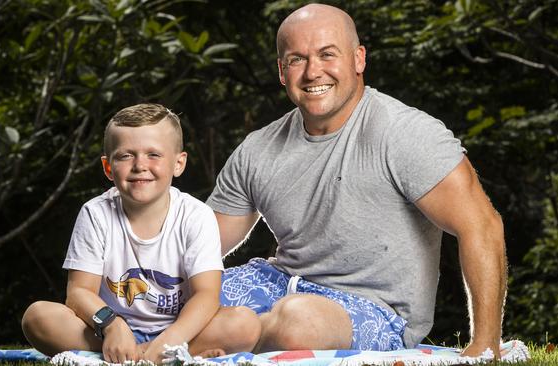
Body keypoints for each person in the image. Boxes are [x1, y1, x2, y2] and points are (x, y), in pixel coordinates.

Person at [208, 4, 507, 358]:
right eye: (297, 59)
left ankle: (215, 339)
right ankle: (210, 339)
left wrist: (485, 345)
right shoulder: (258, 149)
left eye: (327, 55)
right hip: (278, 285)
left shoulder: (405, 134)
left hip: (373, 311)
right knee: (172, 297)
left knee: (297, 322)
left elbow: (482, 227)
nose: (313, 71)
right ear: (282, 71)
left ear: (358, 59)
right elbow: (200, 242)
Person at [21, 103, 260, 364]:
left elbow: (206, 295)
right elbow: (79, 292)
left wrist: (169, 340)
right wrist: (112, 326)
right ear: (108, 167)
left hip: (180, 330)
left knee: (244, 324)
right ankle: (166, 357)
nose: (139, 166)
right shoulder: (95, 214)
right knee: (38, 317)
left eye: (153, 155)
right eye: (125, 156)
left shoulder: (196, 215)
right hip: (109, 332)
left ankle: (146, 356)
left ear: (178, 163)